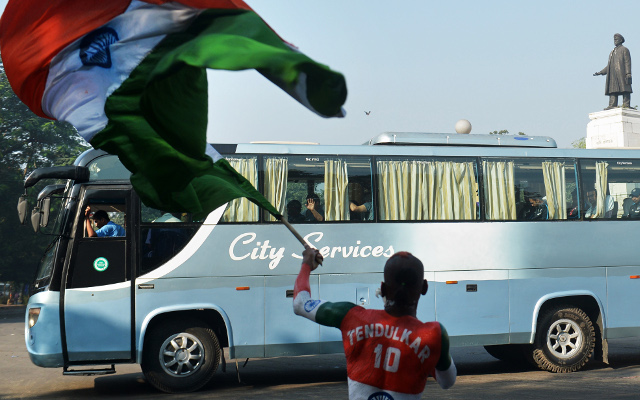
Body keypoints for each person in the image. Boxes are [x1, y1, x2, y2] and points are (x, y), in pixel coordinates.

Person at [293, 248, 456, 399]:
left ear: (383, 288)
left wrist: (306, 264)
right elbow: (447, 382)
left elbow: (300, 303)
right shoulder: (433, 334)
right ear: (424, 287)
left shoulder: (350, 316)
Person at [594, 33, 632, 110]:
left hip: (622, 73)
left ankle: (626, 104)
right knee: (613, 89)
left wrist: (628, 73)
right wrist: (601, 72)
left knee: (625, 88)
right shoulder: (612, 52)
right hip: (613, 74)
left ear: (621, 40)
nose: (615, 41)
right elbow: (609, 65)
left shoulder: (624, 49)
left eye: (616, 39)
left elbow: (627, 62)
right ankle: (612, 104)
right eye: (614, 40)